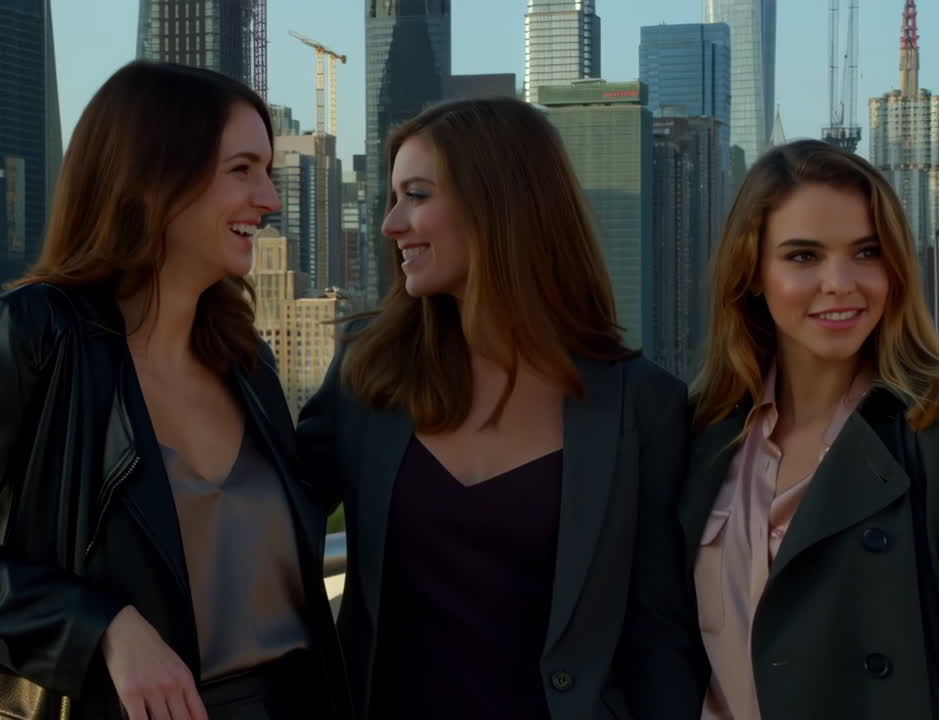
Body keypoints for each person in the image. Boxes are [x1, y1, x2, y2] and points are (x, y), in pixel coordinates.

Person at [0, 61, 348, 720]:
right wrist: (100, 627)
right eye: (242, 170)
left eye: (267, 172)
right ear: (151, 178)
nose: (269, 199)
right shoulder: (36, 334)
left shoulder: (247, 362)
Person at [298, 97, 706, 719]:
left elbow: (661, 636)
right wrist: (129, 628)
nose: (391, 224)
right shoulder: (370, 375)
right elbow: (260, 520)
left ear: (498, 205)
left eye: (416, 195)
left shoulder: (642, 406)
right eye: (393, 198)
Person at [683, 138, 939, 720]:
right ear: (751, 272)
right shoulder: (700, 435)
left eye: (867, 252)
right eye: (803, 256)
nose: (840, 282)